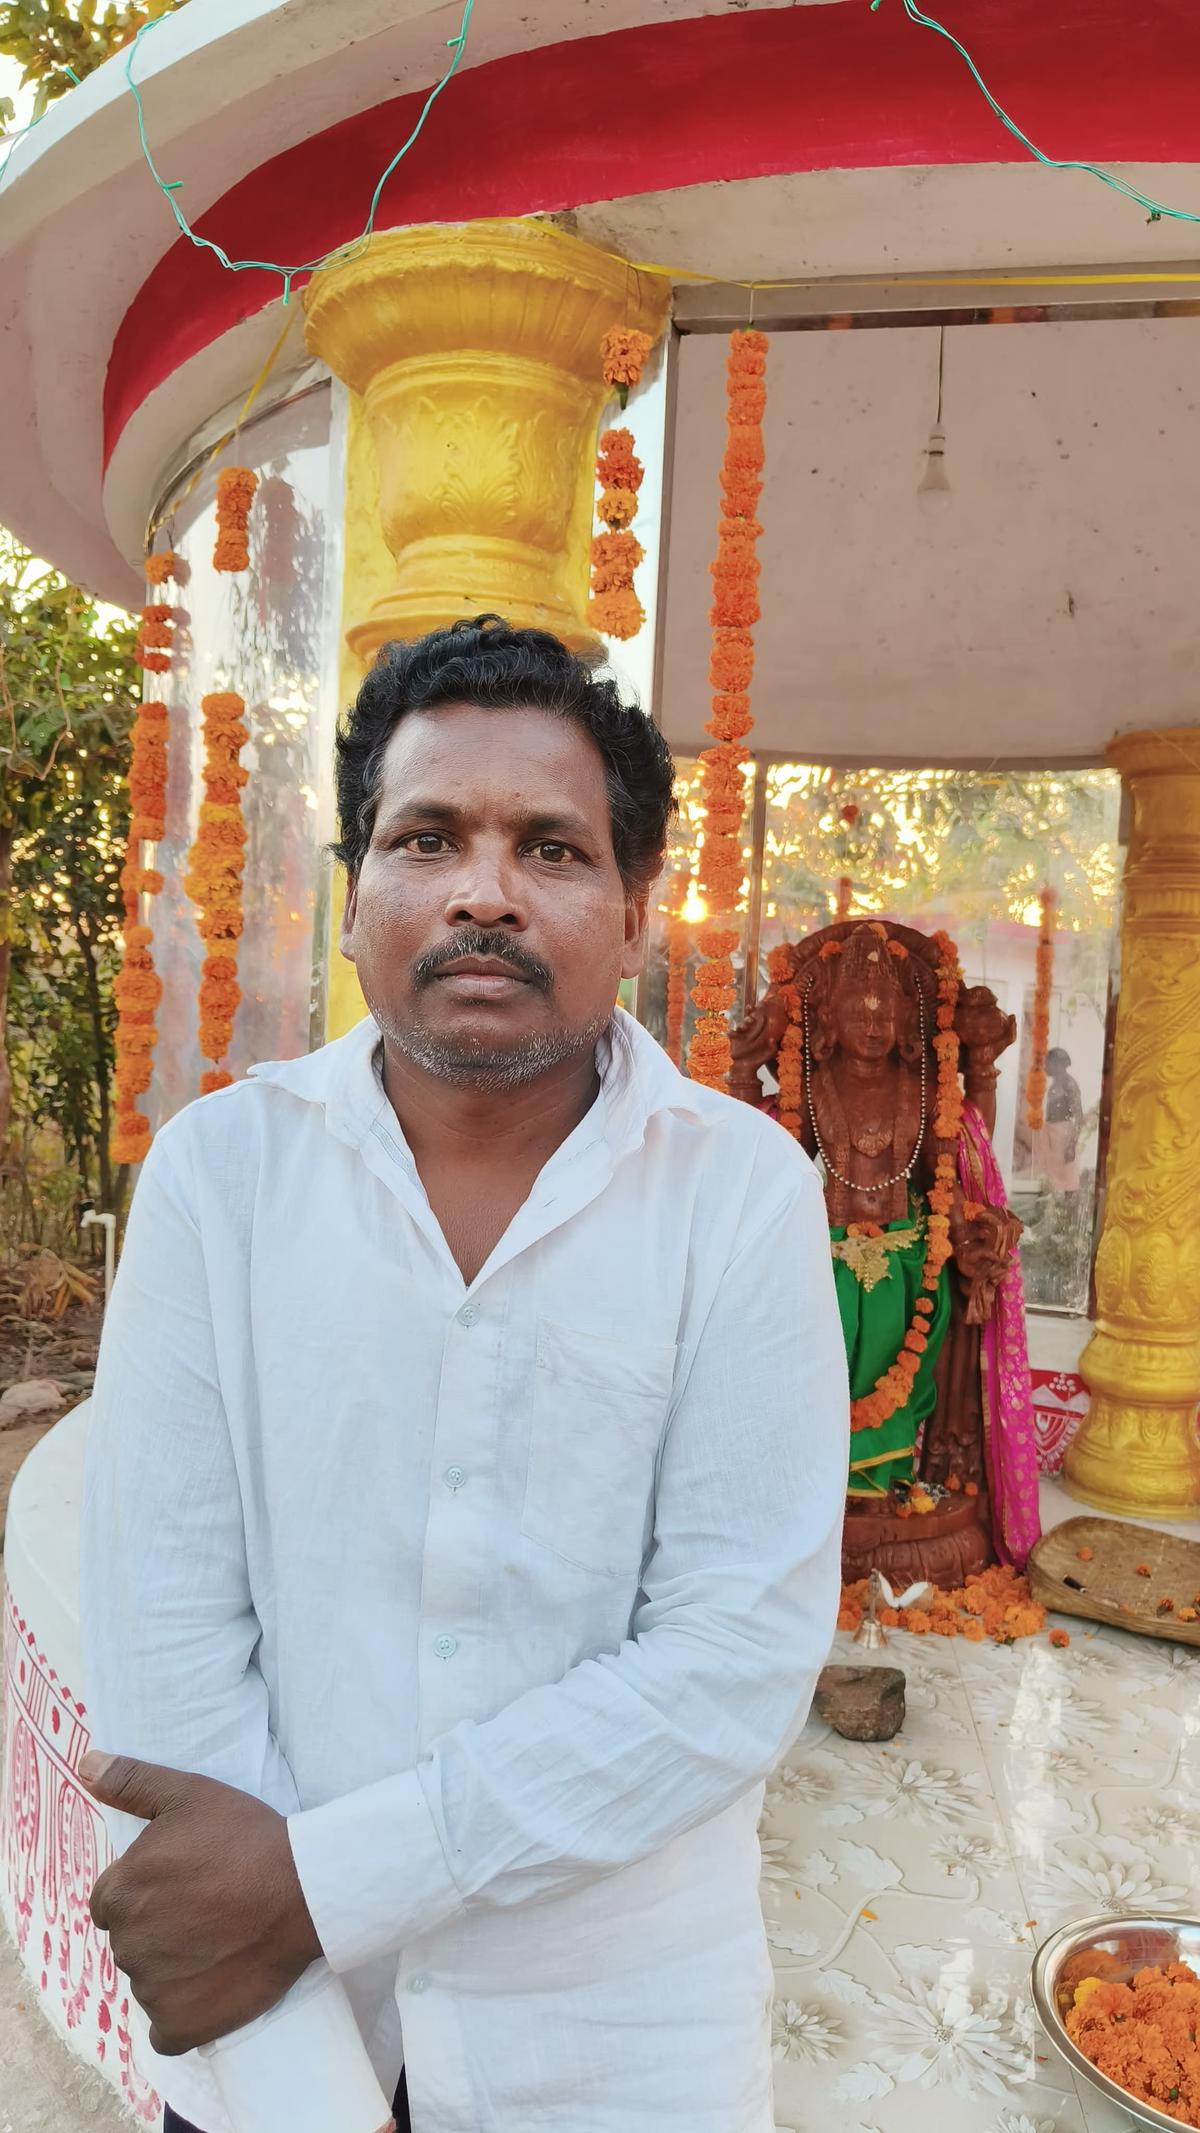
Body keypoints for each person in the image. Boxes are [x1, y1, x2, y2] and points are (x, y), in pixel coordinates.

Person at [78, 616, 848, 2133]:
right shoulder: (216, 1181)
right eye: (427, 836)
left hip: (622, 2060)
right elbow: (168, 1645)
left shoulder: (743, 1196)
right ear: (354, 890)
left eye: (550, 849)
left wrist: (323, 1882)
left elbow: (728, 1665)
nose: (485, 890)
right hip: (276, 2048)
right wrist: (304, 2083)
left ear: (634, 911)